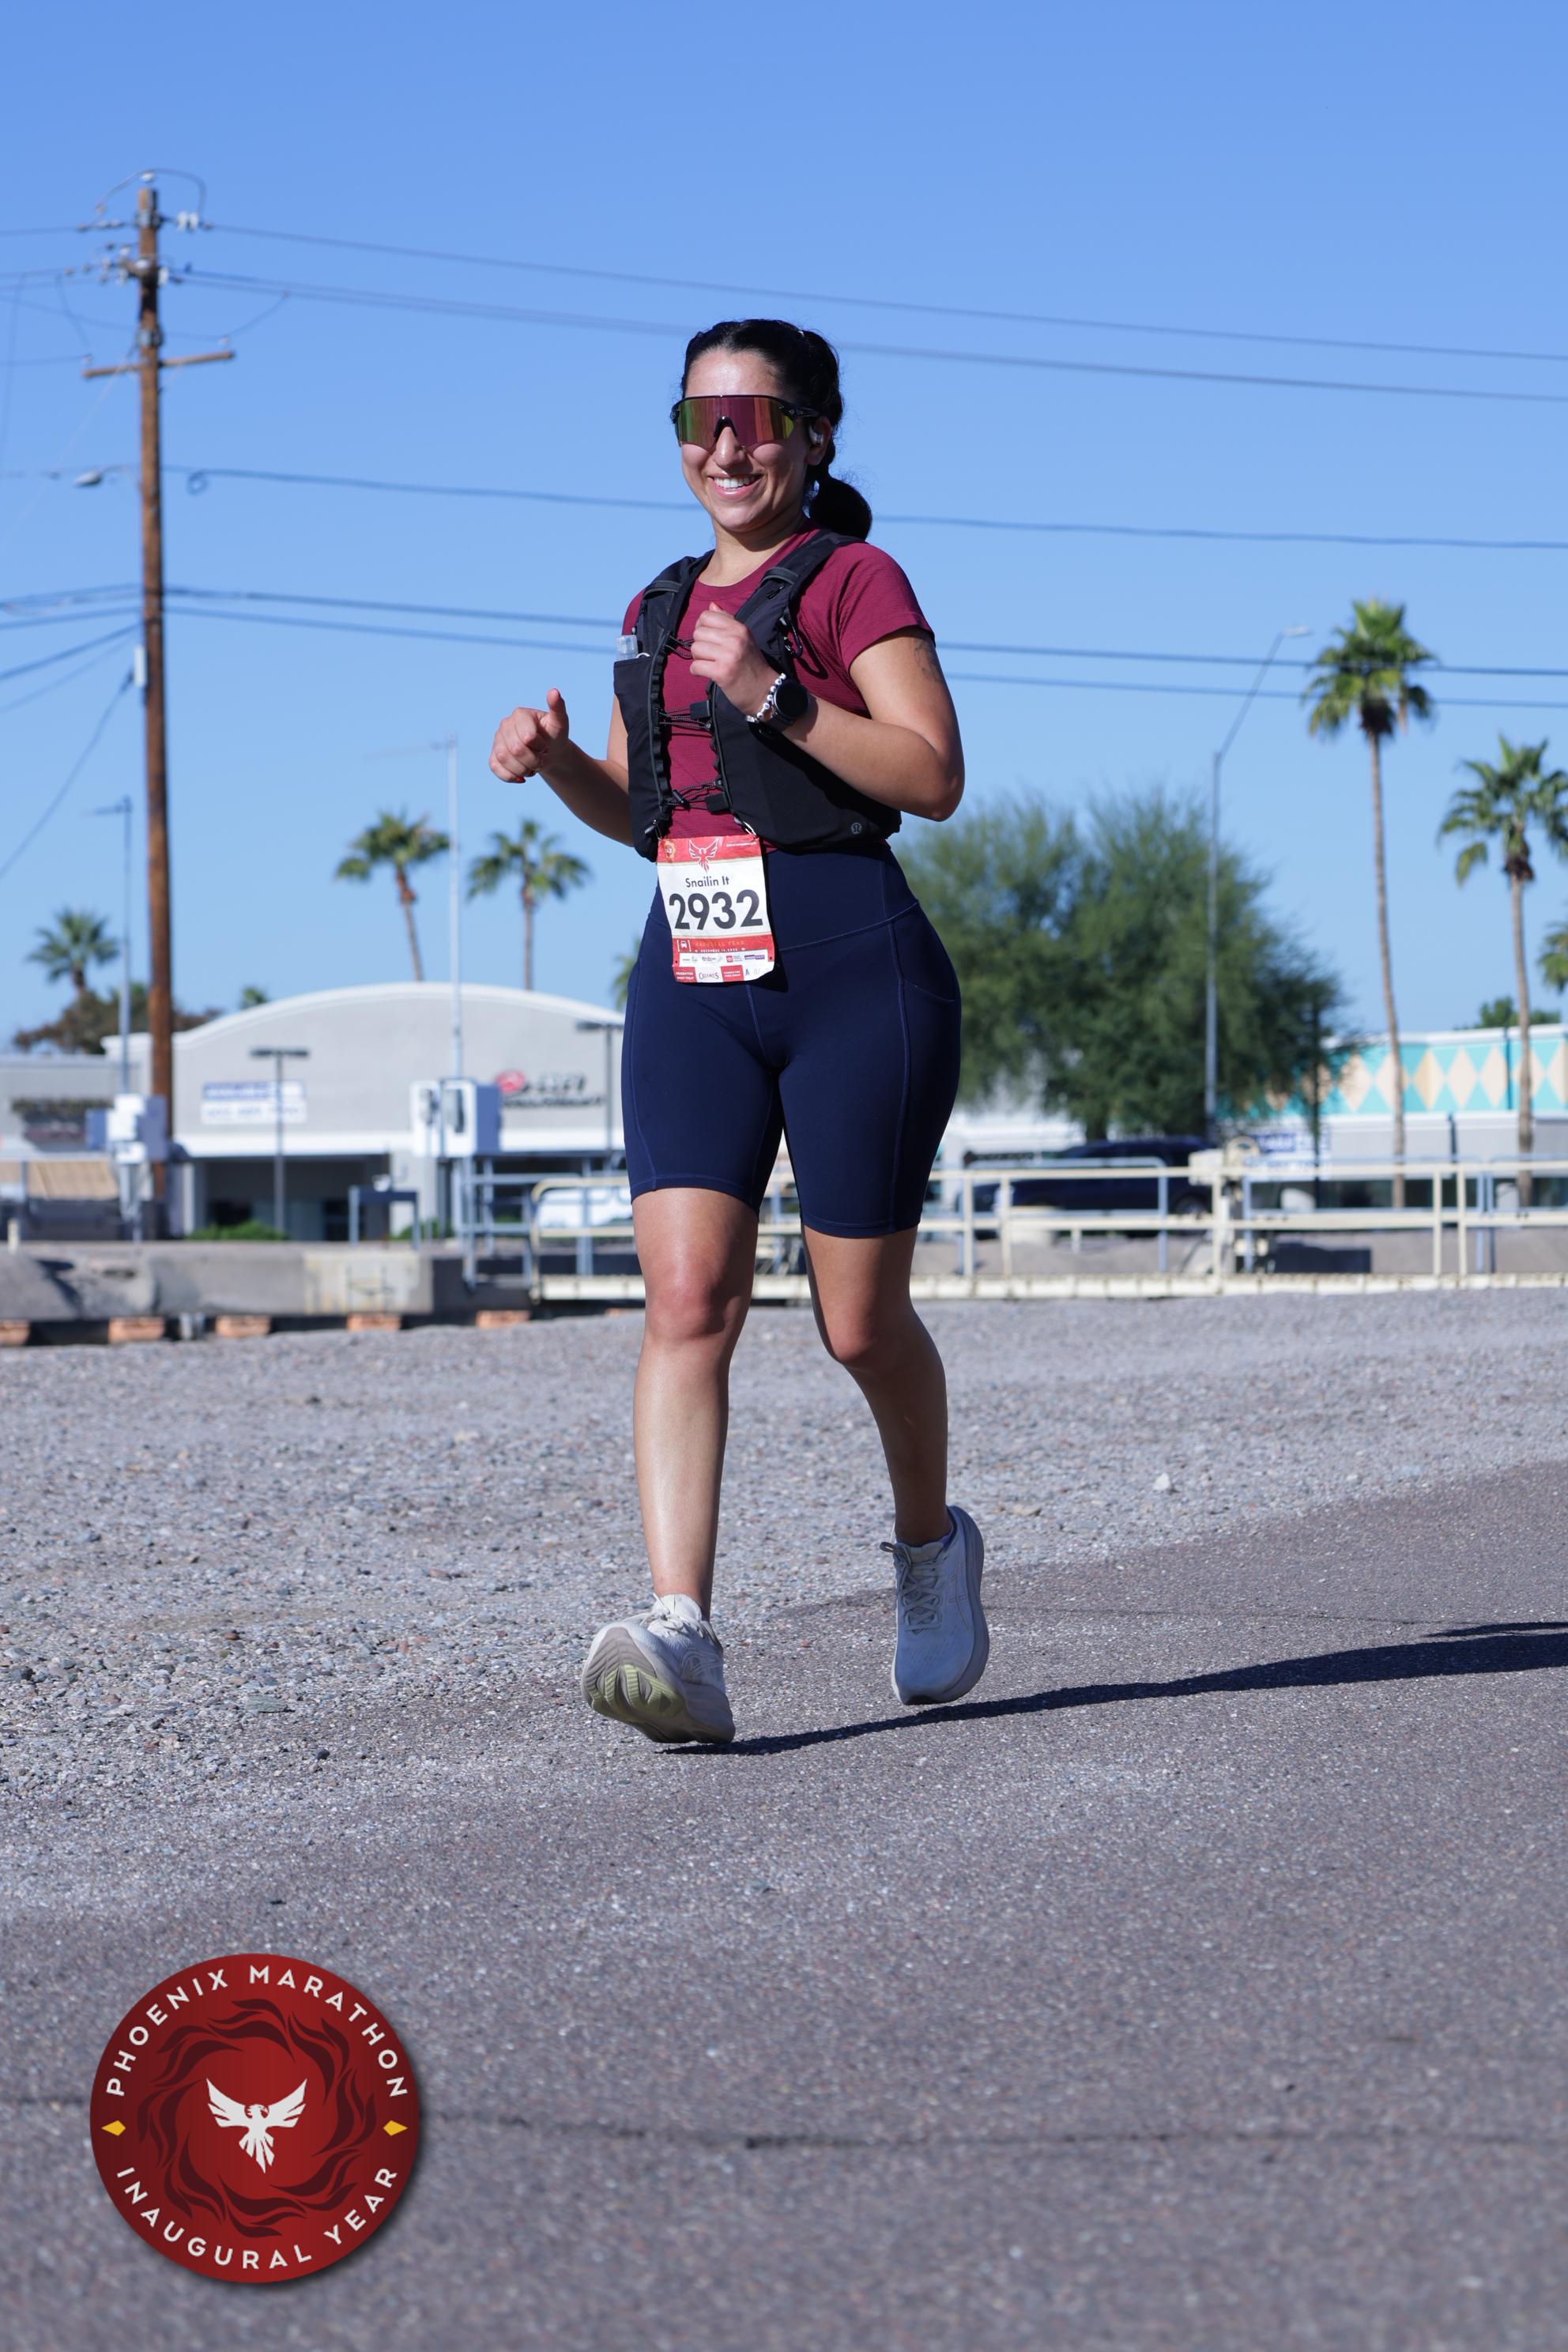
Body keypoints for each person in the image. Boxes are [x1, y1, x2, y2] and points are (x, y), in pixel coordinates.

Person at [489, 318, 987, 1743]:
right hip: (693, 974)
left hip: (853, 969)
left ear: (813, 436)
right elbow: (643, 816)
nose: (725, 445)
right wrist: (560, 765)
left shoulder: (854, 579)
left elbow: (933, 773)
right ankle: (682, 1631)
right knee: (686, 1301)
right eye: (698, 418)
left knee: (857, 1322)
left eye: (755, 418)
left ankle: (930, 1549)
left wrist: (771, 689)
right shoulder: (656, 606)